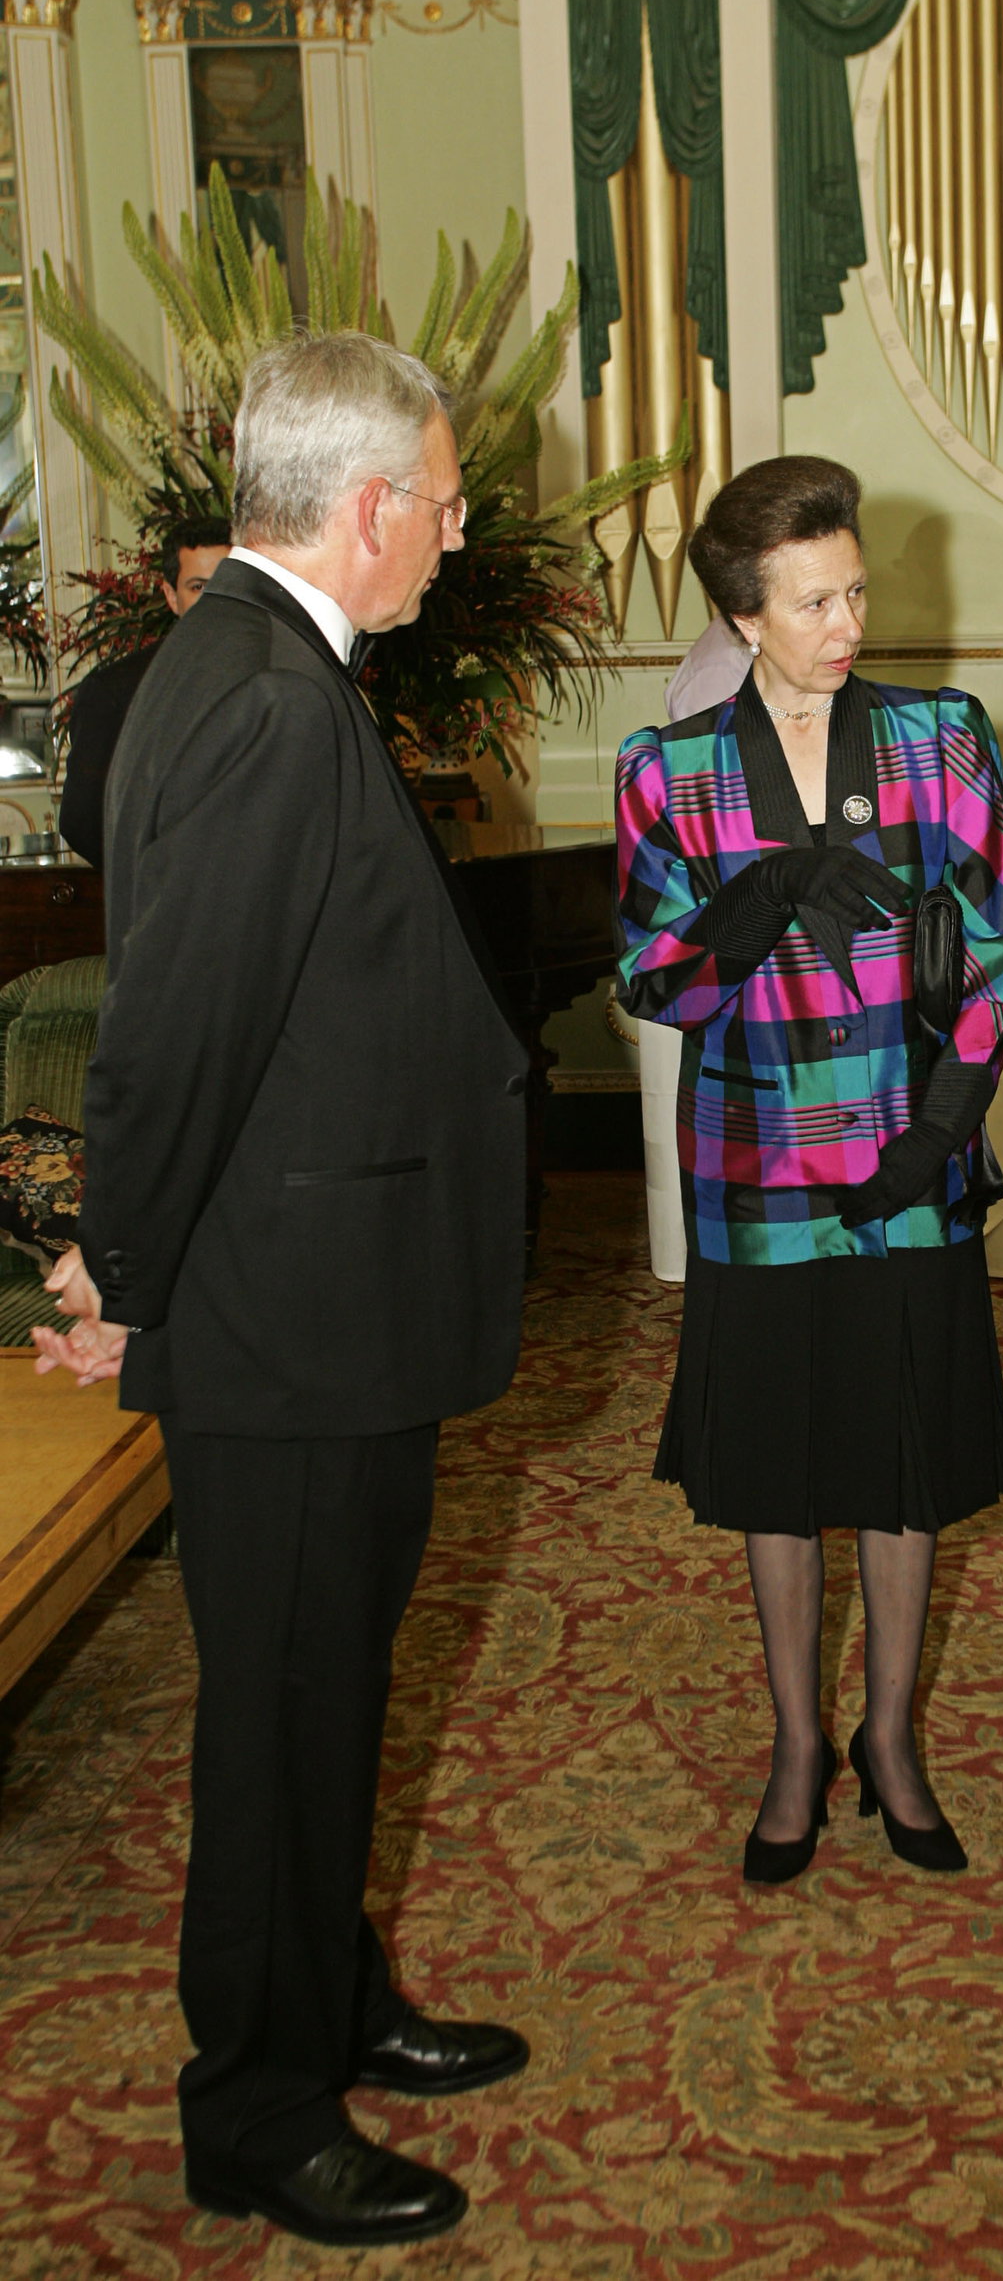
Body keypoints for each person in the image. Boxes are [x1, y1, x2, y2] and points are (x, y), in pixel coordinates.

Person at [32, 334, 532, 2248]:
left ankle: (329, 2002)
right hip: (285, 1313)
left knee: (328, 1691)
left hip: (317, 1292)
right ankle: (251, 2103)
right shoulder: (257, 698)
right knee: (282, 1715)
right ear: (374, 508)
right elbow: (174, 1028)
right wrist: (127, 1272)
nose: (458, 530)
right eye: (450, 497)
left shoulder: (227, 668)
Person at [615, 456, 1003, 1886]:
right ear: (742, 615)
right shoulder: (664, 771)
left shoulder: (938, 736)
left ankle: (892, 1735)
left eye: (856, 587)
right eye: (814, 599)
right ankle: (799, 1740)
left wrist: (938, 1124)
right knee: (783, 1472)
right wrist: (759, 898)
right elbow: (654, 982)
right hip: (759, 1167)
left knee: (906, 1459)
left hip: (909, 1153)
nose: (847, 619)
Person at [58, 515, 233, 867]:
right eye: (198, 587)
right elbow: (82, 822)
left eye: (228, 584)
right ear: (171, 596)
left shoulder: (282, 676)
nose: (216, 600)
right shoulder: (116, 691)